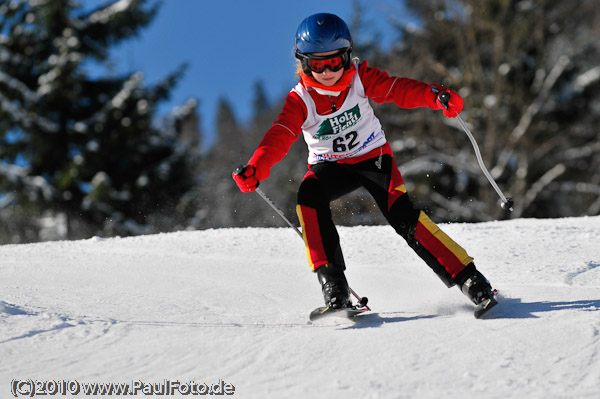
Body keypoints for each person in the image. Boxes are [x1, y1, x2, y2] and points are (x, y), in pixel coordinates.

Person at [232, 13, 495, 312]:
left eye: (335, 61)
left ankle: (470, 279)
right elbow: (281, 135)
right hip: (330, 167)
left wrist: (434, 97)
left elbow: (397, 89)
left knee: (404, 217)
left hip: (374, 159)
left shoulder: (359, 78)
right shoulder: (301, 99)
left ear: (347, 56)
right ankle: (334, 286)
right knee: (309, 198)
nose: (328, 71)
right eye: (318, 64)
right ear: (304, 63)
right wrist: (257, 166)